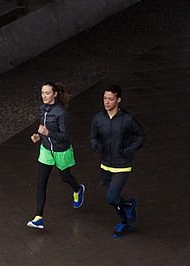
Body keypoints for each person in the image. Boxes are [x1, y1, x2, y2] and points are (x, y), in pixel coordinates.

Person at [89, 84, 145, 238]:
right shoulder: (98, 118)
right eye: (105, 98)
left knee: (111, 197)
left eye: (110, 99)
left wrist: (128, 150)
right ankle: (127, 204)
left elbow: (141, 135)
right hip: (105, 164)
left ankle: (124, 222)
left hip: (122, 165)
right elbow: (93, 137)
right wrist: (95, 145)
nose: (106, 102)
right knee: (113, 197)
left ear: (118, 100)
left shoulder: (127, 120)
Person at [27, 81, 85, 229]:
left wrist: (48, 133)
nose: (44, 96)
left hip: (61, 151)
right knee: (41, 183)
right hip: (46, 151)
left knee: (65, 177)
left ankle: (78, 189)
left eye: (47, 93)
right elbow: (43, 128)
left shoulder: (61, 113)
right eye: (42, 93)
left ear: (55, 94)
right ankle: (38, 217)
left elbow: (65, 136)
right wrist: (38, 136)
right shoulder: (43, 109)